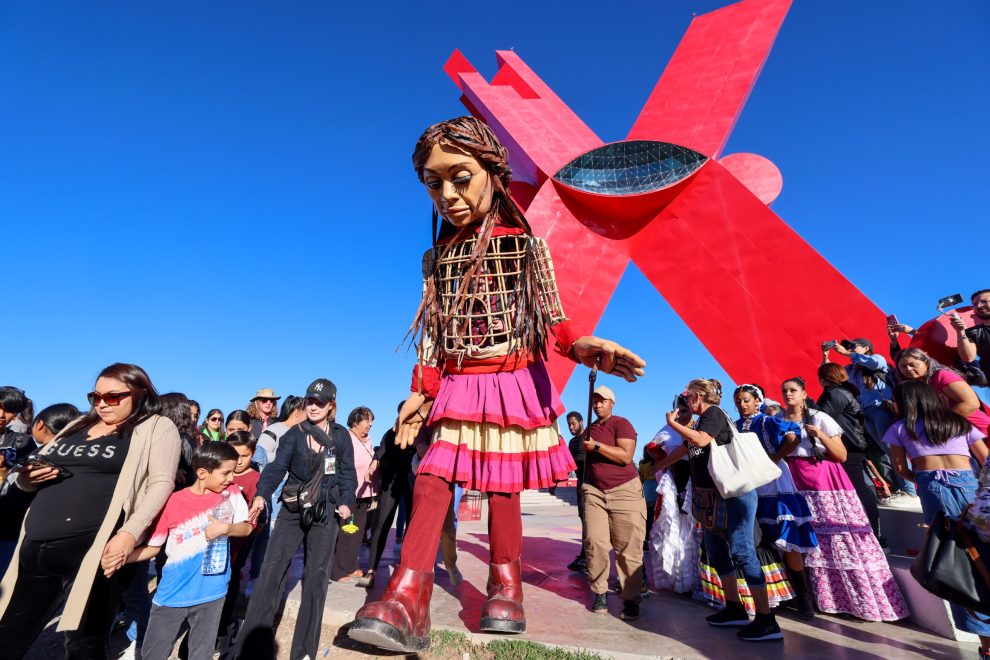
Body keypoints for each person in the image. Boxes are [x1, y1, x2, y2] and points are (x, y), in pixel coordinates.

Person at [347, 117, 645, 654]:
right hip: (459, 380)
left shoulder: (527, 247)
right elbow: (433, 335)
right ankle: (407, 592)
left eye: (459, 177)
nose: (448, 194)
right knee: (435, 477)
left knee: (503, 486)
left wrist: (581, 344)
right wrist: (420, 389)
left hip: (512, 376)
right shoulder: (435, 259)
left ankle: (505, 587)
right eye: (433, 184)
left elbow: (553, 318)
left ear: (493, 171)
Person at [0, 363, 182, 658]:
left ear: (140, 393)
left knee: (85, 643)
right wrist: (27, 478)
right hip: (36, 545)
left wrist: (128, 533)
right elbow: (35, 467)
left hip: (93, 551)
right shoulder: (76, 425)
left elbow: (161, 483)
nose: (101, 403)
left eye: (112, 396)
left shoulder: (156, 426)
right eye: (95, 396)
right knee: (7, 634)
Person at [236, 379, 356, 660]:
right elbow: (277, 468)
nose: (313, 407)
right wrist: (261, 495)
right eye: (310, 401)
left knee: (315, 579)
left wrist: (347, 502)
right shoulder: (294, 434)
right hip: (292, 509)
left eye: (320, 402)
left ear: (331, 405)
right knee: (270, 571)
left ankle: (303, 653)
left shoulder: (340, 436)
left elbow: (348, 475)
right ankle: (251, 649)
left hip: (326, 511)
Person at [778, 377, 907, 621]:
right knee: (805, 540)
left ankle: (854, 600)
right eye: (784, 391)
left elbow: (841, 454)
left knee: (836, 539)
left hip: (824, 482)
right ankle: (813, 598)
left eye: (793, 390)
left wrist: (820, 436)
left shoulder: (819, 418)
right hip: (794, 482)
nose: (788, 394)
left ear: (804, 394)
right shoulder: (778, 421)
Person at [665, 379, 781, 642]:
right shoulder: (700, 421)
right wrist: (654, 467)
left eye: (687, 396)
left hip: (734, 494)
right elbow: (686, 449)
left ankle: (766, 619)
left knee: (741, 550)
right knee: (716, 550)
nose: (685, 401)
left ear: (697, 396)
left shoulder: (714, 414)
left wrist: (674, 425)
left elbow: (702, 440)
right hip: (711, 498)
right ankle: (734, 608)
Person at [882, 380, 989, 653]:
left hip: (932, 489)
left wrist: (920, 478)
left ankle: (986, 643)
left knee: (952, 560)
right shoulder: (958, 422)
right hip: (970, 486)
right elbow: (985, 458)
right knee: (984, 554)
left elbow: (899, 468)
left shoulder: (899, 427)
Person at [125, 442, 252, 660]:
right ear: (202, 472)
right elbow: (154, 547)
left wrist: (227, 528)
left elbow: (247, 527)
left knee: (200, 654)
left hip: (213, 593)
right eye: (226, 473)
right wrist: (122, 557)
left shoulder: (231, 494)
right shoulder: (173, 501)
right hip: (172, 593)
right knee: (154, 652)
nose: (232, 478)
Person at [732, 384, 817, 619]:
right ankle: (778, 593)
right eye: (738, 400)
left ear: (757, 401)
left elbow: (792, 437)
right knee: (764, 538)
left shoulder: (767, 421)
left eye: (747, 400)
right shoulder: (736, 426)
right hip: (751, 482)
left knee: (786, 537)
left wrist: (773, 459)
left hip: (774, 480)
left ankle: (803, 597)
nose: (742, 404)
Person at [581, 386, 645, 621]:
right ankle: (599, 592)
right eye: (594, 401)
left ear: (612, 403)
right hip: (594, 491)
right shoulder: (590, 428)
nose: (597, 405)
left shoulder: (621, 423)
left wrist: (596, 446)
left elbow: (626, 455)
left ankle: (630, 597)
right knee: (594, 542)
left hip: (624, 491)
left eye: (602, 401)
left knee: (628, 548)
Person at [827, 338, 918, 502]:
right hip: (866, 413)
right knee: (884, 453)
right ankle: (900, 489)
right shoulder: (852, 369)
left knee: (894, 450)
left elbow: (873, 364)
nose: (851, 349)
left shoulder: (877, 359)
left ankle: (910, 491)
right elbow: (833, 377)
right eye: (850, 347)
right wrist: (825, 356)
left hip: (881, 409)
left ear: (866, 347)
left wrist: (848, 353)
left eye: (854, 346)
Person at [0, 403, 81, 575]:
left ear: (40, 425)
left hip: (14, 528)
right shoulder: (77, 456)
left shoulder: (37, 457)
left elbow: (14, 495)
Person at [815, 364, 888, 539]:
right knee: (859, 488)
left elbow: (820, 417)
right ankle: (873, 533)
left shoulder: (834, 394)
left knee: (858, 490)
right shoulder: (844, 392)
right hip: (854, 446)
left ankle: (874, 535)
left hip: (848, 447)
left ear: (822, 379)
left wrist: (807, 404)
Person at [358, 402, 417, 590]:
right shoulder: (391, 433)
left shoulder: (421, 432)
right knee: (381, 524)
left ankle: (407, 571)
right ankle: (372, 570)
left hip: (413, 483)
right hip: (391, 483)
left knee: (413, 527)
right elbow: (380, 453)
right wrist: (373, 466)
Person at [216, 431, 264, 648]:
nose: (239, 461)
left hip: (239, 540)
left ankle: (223, 626)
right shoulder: (219, 473)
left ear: (252, 454)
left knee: (231, 577)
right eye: (234, 455)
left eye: (244, 456)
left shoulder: (255, 478)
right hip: (216, 537)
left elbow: (256, 514)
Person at [650, 395, 698, 595]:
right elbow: (652, 446)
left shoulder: (698, 428)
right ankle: (674, 578)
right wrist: (662, 460)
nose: (681, 415)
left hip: (696, 484)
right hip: (673, 483)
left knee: (692, 533)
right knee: (670, 528)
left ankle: (692, 580)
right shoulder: (668, 429)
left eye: (685, 410)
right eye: (678, 411)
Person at [331, 406, 379, 583]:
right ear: (355, 421)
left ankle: (351, 567)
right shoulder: (346, 437)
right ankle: (337, 570)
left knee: (356, 533)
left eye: (371, 421)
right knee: (345, 533)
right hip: (349, 493)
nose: (370, 424)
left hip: (365, 493)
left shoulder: (368, 441)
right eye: (367, 420)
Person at [897, 348, 990, 434]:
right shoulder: (920, 387)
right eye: (903, 366)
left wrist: (938, 425)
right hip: (955, 438)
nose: (909, 369)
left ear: (926, 363)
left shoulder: (942, 375)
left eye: (912, 364)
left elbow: (971, 404)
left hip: (981, 433)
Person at [565, 411, 588, 573]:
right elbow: (568, 465)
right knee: (584, 521)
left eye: (573, 423)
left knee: (593, 523)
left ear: (581, 422)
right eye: (568, 425)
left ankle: (587, 557)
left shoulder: (591, 437)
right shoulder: (572, 443)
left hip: (593, 484)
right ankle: (584, 556)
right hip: (580, 484)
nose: (571, 427)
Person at [952, 289, 990, 385]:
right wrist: (960, 331)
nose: (979, 306)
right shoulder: (974, 332)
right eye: (975, 304)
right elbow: (968, 357)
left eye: (984, 301)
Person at [257, 395, 305, 463]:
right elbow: (260, 456)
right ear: (297, 413)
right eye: (306, 413)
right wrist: (288, 457)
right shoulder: (273, 430)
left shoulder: (302, 431)